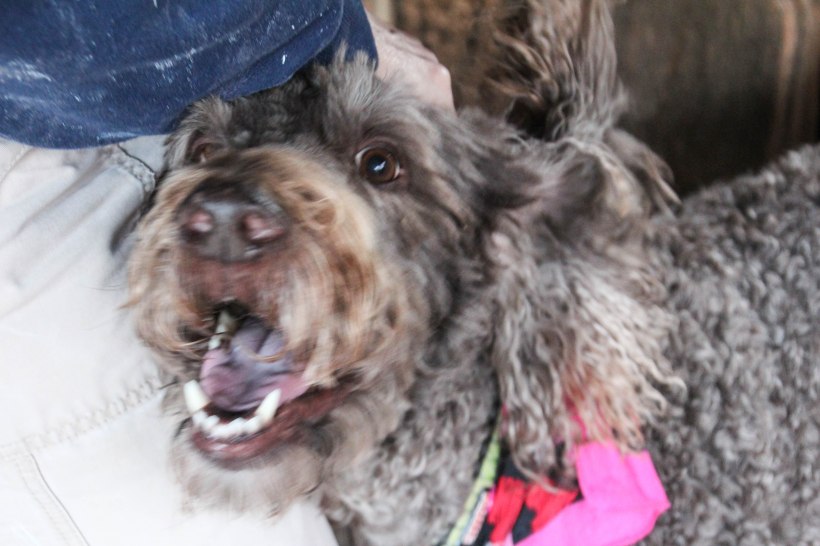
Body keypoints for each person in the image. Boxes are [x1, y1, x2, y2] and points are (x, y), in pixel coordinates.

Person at [0, 2, 451, 544]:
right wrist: (335, 30)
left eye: (377, 165)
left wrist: (329, 23)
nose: (224, 225)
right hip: (53, 137)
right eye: (208, 151)